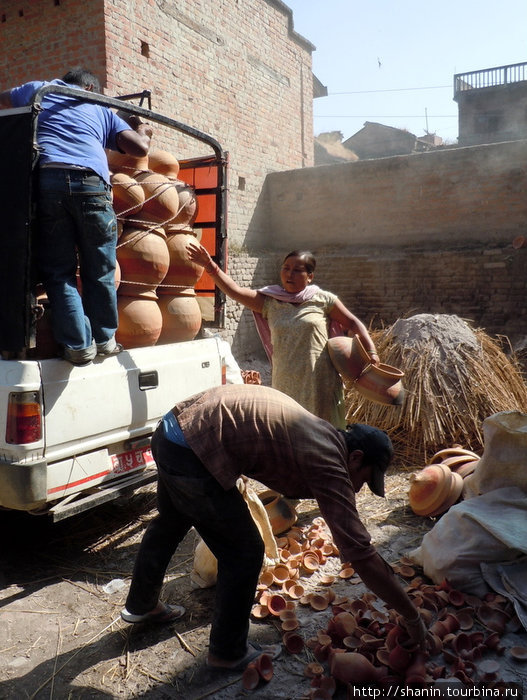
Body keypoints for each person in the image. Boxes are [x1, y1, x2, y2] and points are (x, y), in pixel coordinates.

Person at [121, 384, 428, 671]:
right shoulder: (329, 461)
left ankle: (142, 605)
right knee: (245, 552)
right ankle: (228, 652)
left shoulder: (325, 436)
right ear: (356, 457)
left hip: (172, 431)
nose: (359, 488)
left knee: (171, 521)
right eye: (364, 479)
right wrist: (412, 616)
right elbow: (360, 553)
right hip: (192, 447)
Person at [0, 68, 153, 365]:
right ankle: (105, 340)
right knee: (100, 268)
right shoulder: (99, 107)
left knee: (59, 272)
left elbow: (4, 101)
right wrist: (143, 128)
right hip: (92, 186)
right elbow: (139, 148)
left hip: (48, 184)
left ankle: (78, 345)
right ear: (89, 87)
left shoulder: (38, 89)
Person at [186, 243, 379, 427]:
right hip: (285, 380)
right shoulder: (270, 302)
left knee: (322, 434)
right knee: (288, 432)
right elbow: (235, 291)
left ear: (310, 276)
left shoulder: (323, 300)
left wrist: (371, 352)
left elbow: (353, 323)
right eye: (286, 268)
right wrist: (210, 266)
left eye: (297, 270)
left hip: (319, 381)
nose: (289, 274)